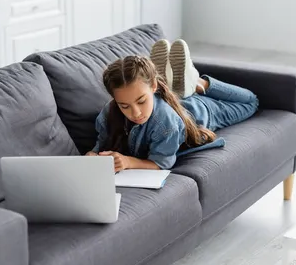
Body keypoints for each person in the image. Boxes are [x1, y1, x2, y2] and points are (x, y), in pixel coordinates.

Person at [86, 39, 259, 172]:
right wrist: (92, 156)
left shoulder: (165, 123)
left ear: (153, 86)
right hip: (174, 103)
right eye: (124, 106)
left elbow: (161, 163)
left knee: (251, 102)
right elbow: (102, 144)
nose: (136, 113)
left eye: (141, 101)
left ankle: (196, 82)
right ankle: (177, 86)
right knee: (170, 100)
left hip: (203, 109)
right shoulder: (108, 114)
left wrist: (128, 162)